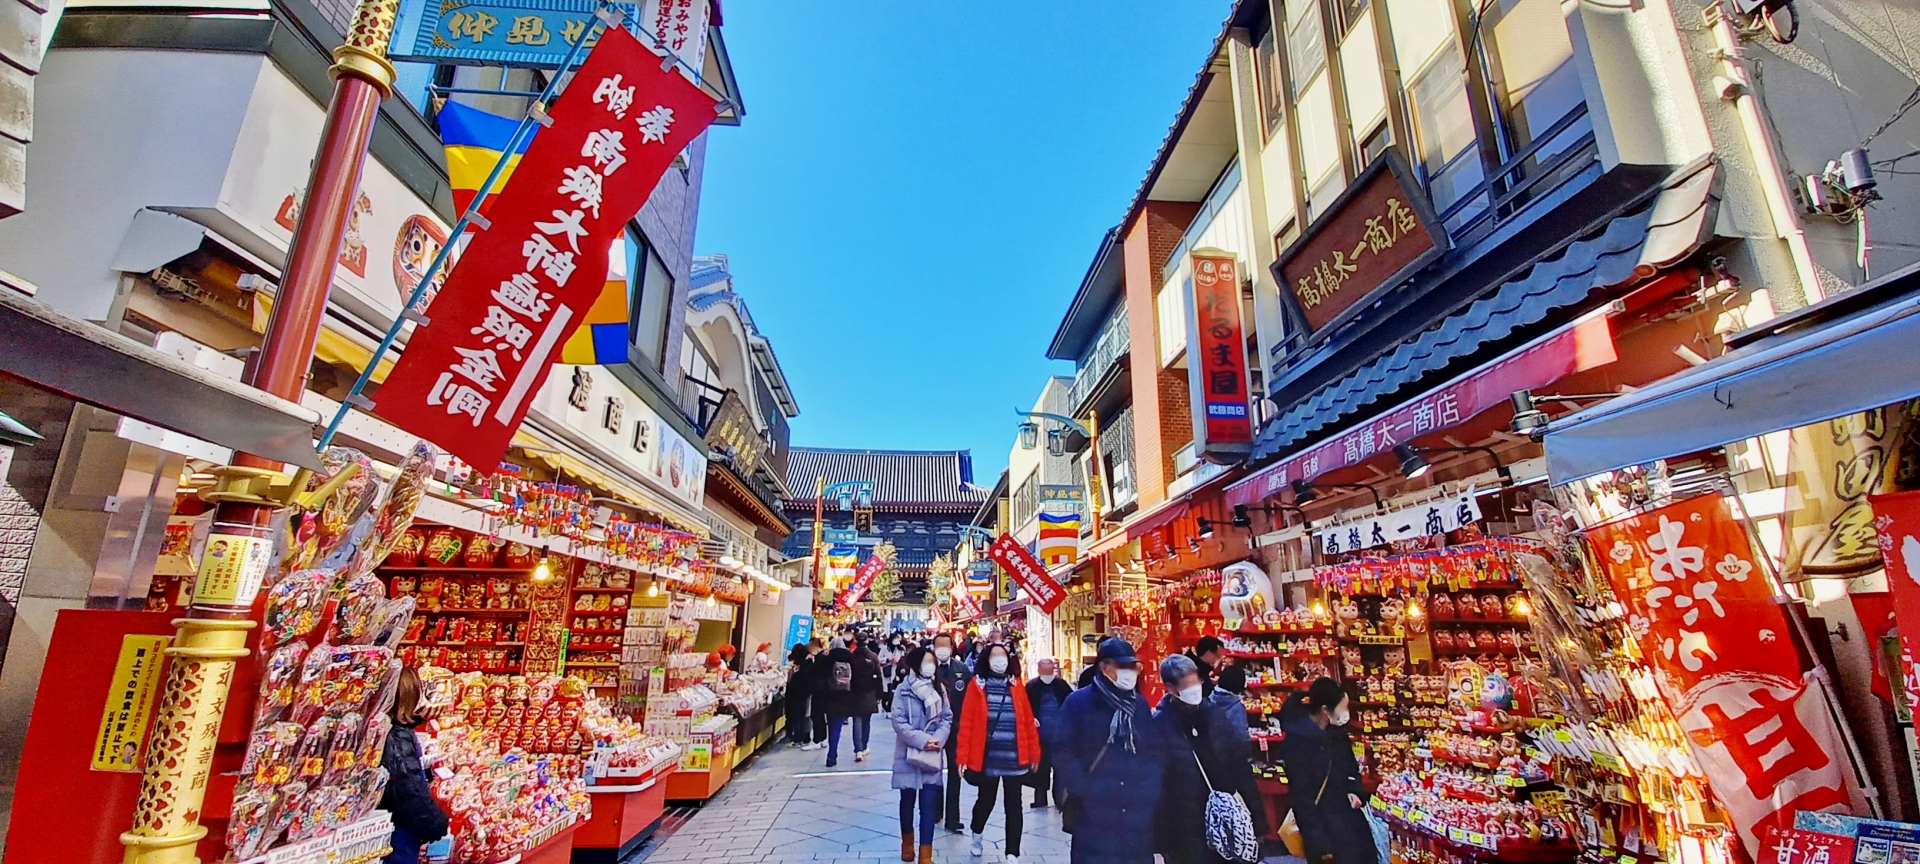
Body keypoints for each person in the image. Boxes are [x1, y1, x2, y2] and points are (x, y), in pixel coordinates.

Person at [1054, 637, 1163, 864]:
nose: (1130, 672)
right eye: (1123, 667)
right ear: (1104, 667)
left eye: (1133, 666)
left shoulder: (1139, 705)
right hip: (1094, 812)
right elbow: (1062, 750)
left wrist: (1150, 790)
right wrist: (1082, 788)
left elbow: (1153, 751)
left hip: (1135, 812)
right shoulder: (1078, 703)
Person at [1151, 655, 1268, 864]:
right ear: (1170, 688)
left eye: (1197, 683)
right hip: (1185, 829)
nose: (1195, 691)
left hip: (1225, 819)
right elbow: (1158, 790)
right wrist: (1161, 843)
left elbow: (1240, 767)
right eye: (1188, 687)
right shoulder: (1159, 727)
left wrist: (1256, 819)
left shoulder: (1215, 715)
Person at [1275, 678, 1376, 864]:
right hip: (1323, 825)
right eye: (1342, 708)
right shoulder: (1297, 743)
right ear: (1324, 710)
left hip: (1350, 820)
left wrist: (1355, 789)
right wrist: (1320, 845)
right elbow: (1301, 796)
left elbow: (1351, 768)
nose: (1345, 713)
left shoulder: (1338, 735)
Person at [956, 642, 1040, 864]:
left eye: (1002, 655)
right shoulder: (977, 685)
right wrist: (962, 757)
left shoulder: (1017, 685)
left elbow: (1027, 721)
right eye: (994, 655)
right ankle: (977, 832)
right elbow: (967, 723)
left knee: (1014, 805)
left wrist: (1034, 753)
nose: (999, 660)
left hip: (1014, 756)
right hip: (987, 757)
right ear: (987, 659)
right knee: (986, 800)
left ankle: (1013, 851)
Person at [379, 667, 448, 864]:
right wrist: (436, 822)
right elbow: (409, 791)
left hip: (387, 826)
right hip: (397, 834)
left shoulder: (389, 728)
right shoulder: (396, 738)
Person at [892, 646, 951, 864]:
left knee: (928, 803)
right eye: (926, 661)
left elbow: (947, 717)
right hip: (908, 753)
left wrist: (938, 739)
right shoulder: (903, 690)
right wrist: (922, 740)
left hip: (932, 755)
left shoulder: (940, 689)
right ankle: (907, 843)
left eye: (932, 662)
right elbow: (898, 721)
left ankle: (926, 854)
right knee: (907, 801)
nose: (931, 666)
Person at [929, 631, 972, 832]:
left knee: (956, 773)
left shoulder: (962, 670)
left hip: (956, 729)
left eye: (946, 645)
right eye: (939, 646)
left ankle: (953, 817)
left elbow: (970, 700)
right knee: (933, 771)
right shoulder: (927, 670)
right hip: (934, 729)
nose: (942, 650)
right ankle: (935, 812)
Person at [1024, 658, 1072, 808]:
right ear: (1039, 670)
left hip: (1059, 734)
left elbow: (1070, 703)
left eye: (1050, 670)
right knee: (1040, 768)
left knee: (1059, 768)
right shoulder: (1032, 686)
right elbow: (1025, 708)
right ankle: (1040, 799)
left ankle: (1059, 799)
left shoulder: (1061, 685)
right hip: (1039, 735)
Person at [805, 638, 831, 750]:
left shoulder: (820, 658)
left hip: (819, 690)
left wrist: (809, 662)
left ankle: (817, 740)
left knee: (816, 715)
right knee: (820, 716)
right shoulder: (824, 657)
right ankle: (823, 739)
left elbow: (812, 673)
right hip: (824, 690)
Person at [786, 643, 814, 747]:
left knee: (796, 717)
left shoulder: (800, 667)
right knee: (803, 716)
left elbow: (795, 682)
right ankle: (803, 737)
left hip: (797, 694)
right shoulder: (809, 664)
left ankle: (797, 739)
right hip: (805, 694)